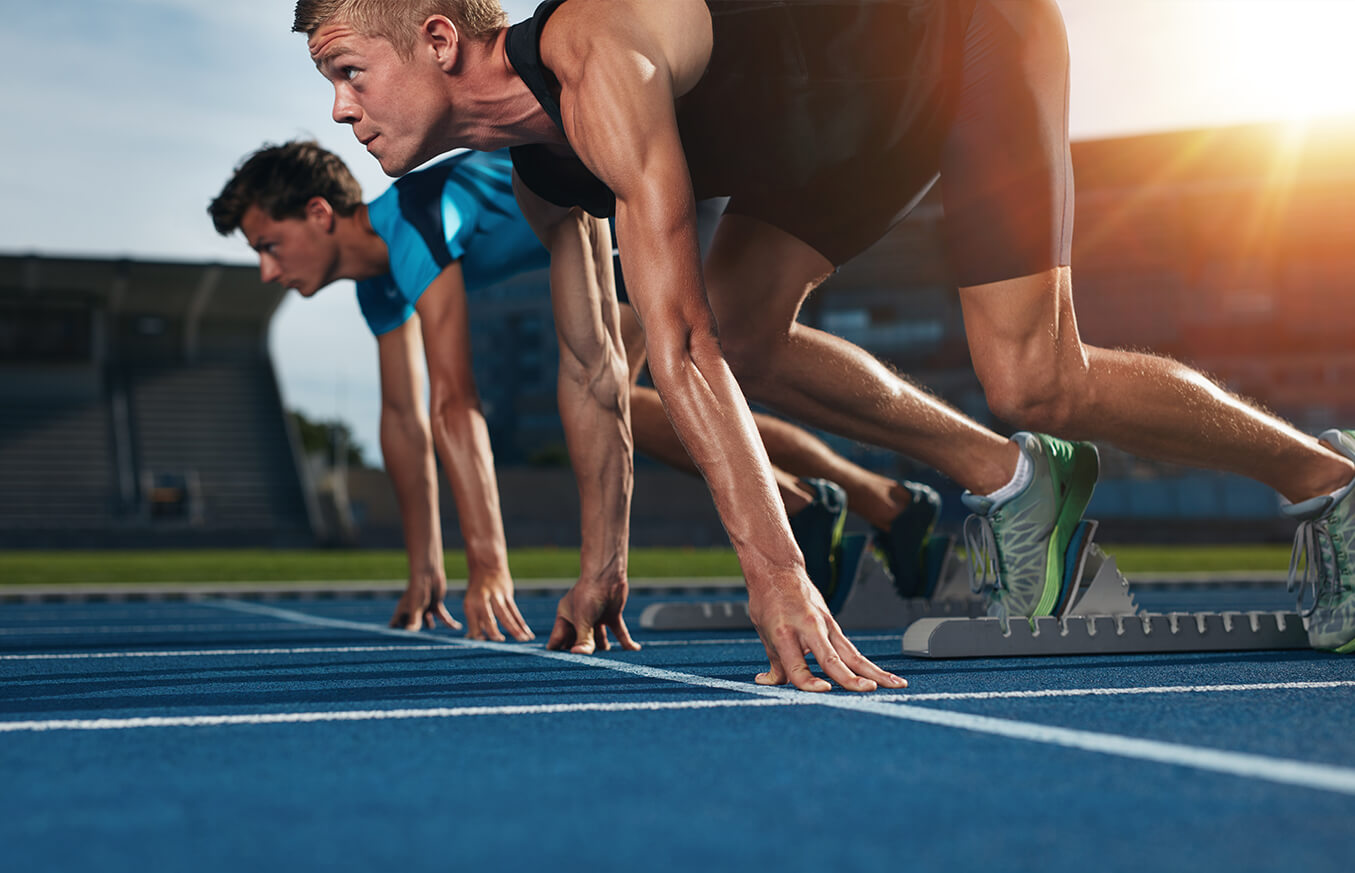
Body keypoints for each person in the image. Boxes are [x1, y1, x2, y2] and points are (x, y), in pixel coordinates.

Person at [292, 0, 1355, 688]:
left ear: (437, 37)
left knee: (1033, 375)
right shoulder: (544, 176)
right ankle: (1016, 485)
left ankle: (1328, 481)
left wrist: (774, 572)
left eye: (348, 72)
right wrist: (600, 566)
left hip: (957, 38)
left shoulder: (596, 52)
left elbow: (681, 334)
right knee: (746, 336)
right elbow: (593, 369)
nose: (338, 112)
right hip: (825, 139)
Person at [209, 140, 941, 647]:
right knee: (630, 401)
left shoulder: (414, 221)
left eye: (266, 245)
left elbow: (454, 402)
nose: (267, 272)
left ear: (317, 213)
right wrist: (425, 567)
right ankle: (867, 502)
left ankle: (837, 502)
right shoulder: (378, 287)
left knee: (614, 395)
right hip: (599, 232)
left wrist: (488, 564)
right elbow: (403, 420)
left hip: (630, 197)